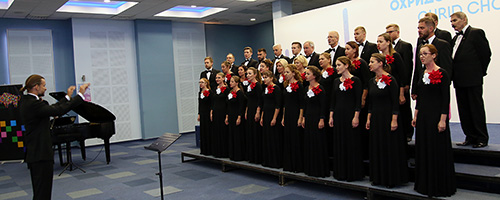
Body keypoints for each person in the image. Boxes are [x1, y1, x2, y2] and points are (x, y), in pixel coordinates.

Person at [20, 74, 89, 200]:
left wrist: (67, 97)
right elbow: (57, 111)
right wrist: (79, 95)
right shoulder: (33, 104)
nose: (45, 88)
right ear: (36, 87)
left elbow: (53, 108)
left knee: (42, 191)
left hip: (37, 153)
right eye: (44, 85)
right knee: (42, 192)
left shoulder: (28, 101)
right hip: (40, 153)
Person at [412, 44, 456, 197]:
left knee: (436, 148)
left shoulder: (442, 73)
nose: (422, 56)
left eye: (425, 54)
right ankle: (424, 183)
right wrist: (416, 115)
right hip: (423, 115)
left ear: (434, 55)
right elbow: (420, 97)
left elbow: (446, 99)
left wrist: (443, 119)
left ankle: (439, 184)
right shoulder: (422, 72)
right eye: (420, 54)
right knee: (424, 148)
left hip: (436, 115)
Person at [450, 11, 491, 148]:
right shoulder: (455, 39)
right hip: (459, 80)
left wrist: (479, 72)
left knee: (475, 108)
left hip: (473, 79)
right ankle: (470, 136)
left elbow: (485, 54)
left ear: (464, 20)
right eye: (451, 22)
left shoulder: (476, 33)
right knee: (464, 109)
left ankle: (481, 138)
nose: (453, 24)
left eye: (455, 21)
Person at [366, 53, 408, 188]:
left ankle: (391, 178)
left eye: (372, 62)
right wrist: (368, 118)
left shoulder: (391, 79)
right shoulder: (371, 81)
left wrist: (394, 119)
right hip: (376, 117)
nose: (370, 64)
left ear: (380, 63)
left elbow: (395, 102)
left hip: (388, 117)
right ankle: (379, 176)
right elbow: (370, 103)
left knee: (389, 146)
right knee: (377, 146)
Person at [329, 56, 364, 181]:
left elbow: (357, 101)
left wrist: (356, 116)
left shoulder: (356, 81)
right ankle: (341, 172)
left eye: (339, 65)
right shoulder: (336, 81)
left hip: (350, 114)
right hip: (338, 115)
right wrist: (331, 116)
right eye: (336, 65)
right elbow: (333, 100)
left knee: (351, 142)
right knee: (340, 142)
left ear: (346, 65)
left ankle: (352, 173)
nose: (336, 68)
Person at [412, 17, 452, 100]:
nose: (419, 30)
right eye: (418, 28)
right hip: (422, 86)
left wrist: (444, 87)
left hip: (437, 88)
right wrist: (414, 89)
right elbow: (417, 68)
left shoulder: (442, 45)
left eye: (422, 28)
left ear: (431, 28)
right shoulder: (420, 46)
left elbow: (447, 68)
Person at [386, 24, 414, 141]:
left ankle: (408, 132)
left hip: (402, 83)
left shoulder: (405, 46)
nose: (388, 34)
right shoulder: (385, 51)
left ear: (397, 32)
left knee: (405, 108)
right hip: (391, 85)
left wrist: (406, 83)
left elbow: (407, 66)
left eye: (390, 31)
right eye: (387, 32)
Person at [302, 67, 329, 177]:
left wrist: (322, 119)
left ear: (314, 76)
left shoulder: (320, 88)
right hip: (308, 117)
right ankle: (310, 168)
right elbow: (304, 105)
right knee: (309, 141)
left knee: (318, 142)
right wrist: (303, 118)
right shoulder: (306, 88)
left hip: (317, 117)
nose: (306, 76)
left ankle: (319, 169)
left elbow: (323, 105)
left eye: (308, 74)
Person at [281, 64, 305, 173]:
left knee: (296, 138)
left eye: (287, 72)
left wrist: (300, 117)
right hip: (288, 114)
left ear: (293, 73)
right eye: (284, 72)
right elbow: (285, 104)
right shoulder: (286, 86)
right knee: (288, 138)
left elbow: (302, 104)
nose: (285, 74)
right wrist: (283, 117)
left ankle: (297, 165)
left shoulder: (299, 85)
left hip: (296, 113)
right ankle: (289, 164)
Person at [260, 70, 283, 168]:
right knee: (267, 137)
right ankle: (267, 160)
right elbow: (264, 104)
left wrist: (274, 118)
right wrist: (261, 117)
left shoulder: (276, 88)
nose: (264, 79)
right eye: (263, 77)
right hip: (266, 114)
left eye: (266, 77)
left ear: (271, 78)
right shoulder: (265, 89)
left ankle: (275, 161)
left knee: (274, 138)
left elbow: (278, 105)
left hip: (273, 115)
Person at [377, 33, 407, 107]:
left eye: (381, 42)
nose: (378, 44)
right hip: (383, 88)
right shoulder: (378, 58)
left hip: (395, 88)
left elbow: (402, 75)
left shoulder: (395, 56)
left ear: (388, 42)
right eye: (377, 42)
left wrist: (401, 93)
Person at [318, 52, 337, 163]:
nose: (320, 61)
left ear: (329, 60)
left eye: (323, 59)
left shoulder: (333, 71)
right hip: (323, 104)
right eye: (319, 59)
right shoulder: (320, 73)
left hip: (330, 102)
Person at [226, 76, 247, 161]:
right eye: (230, 81)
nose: (230, 83)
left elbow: (241, 106)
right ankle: (232, 154)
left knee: (237, 135)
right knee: (232, 135)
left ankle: (239, 155)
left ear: (237, 83)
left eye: (232, 82)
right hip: (230, 115)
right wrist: (227, 116)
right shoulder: (230, 92)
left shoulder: (240, 93)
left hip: (236, 115)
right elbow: (228, 105)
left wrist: (239, 117)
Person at [245, 67, 263, 164]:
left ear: (255, 75)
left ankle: (257, 157)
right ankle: (251, 156)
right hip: (250, 109)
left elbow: (260, 100)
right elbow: (248, 100)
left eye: (250, 73)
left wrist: (258, 111)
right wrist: (246, 111)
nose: (248, 75)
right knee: (250, 132)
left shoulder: (258, 85)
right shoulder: (249, 85)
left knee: (256, 133)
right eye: (247, 74)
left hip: (256, 109)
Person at [211, 72, 230, 158]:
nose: (217, 79)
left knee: (223, 131)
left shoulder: (227, 89)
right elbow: (213, 101)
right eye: (216, 78)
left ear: (223, 78)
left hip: (223, 112)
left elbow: (228, 103)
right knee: (216, 131)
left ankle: (224, 152)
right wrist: (211, 112)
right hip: (216, 112)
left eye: (219, 78)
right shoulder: (215, 88)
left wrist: (227, 115)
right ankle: (217, 151)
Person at [198, 78, 212, 156]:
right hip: (202, 113)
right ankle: (203, 149)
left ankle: (209, 149)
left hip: (207, 113)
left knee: (208, 130)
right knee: (203, 130)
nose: (201, 84)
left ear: (206, 83)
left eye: (202, 82)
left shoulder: (210, 92)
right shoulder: (200, 92)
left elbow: (212, 103)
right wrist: (199, 114)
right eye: (200, 82)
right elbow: (200, 104)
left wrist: (211, 112)